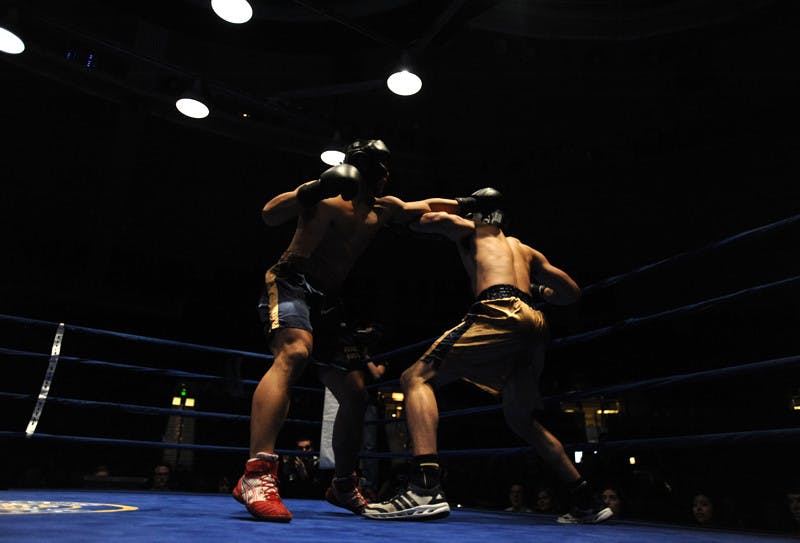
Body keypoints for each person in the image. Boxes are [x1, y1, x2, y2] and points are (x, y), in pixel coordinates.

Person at [232, 139, 459, 522]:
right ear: (363, 166)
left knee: (355, 393)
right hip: (291, 282)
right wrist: (318, 186)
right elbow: (270, 213)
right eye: (382, 168)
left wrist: (469, 204)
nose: (387, 175)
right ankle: (256, 475)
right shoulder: (326, 196)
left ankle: (342, 484)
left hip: (328, 302)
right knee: (295, 352)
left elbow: (423, 207)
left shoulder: (382, 209)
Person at [362, 188, 612, 524]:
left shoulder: (472, 230)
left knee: (415, 377)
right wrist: (539, 291)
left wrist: (458, 206)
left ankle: (424, 487)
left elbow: (423, 219)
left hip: (498, 309)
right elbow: (570, 292)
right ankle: (586, 500)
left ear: (479, 213)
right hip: (534, 320)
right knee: (522, 420)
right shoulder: (523, 249)